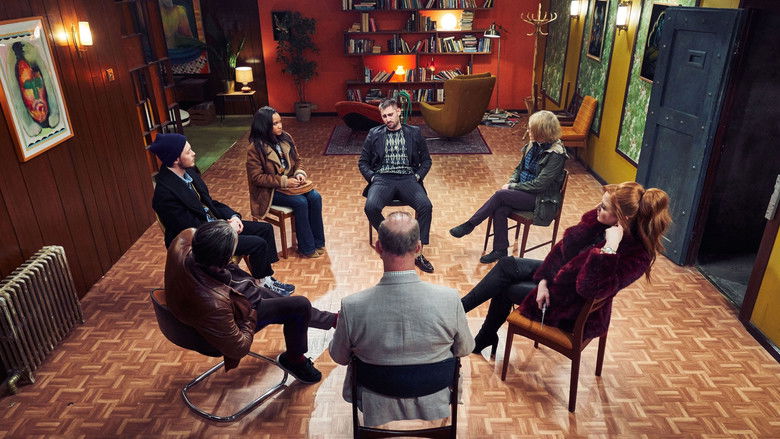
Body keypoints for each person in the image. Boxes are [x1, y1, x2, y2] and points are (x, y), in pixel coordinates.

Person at [461, 182, 671, 354]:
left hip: (573, 307)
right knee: (507, 265)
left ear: (624, 218)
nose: (598, 207)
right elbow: (562, 250)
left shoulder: (637, 255)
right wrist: (543, 281)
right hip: (560, 281)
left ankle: (482, 335)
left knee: (505, 288)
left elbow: (589, 289)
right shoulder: (601, 222)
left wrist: (609, 249)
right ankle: (461, 312)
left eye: (605, 207)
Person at [329, 212, 474, 427]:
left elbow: (339, 357)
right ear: (418, 248)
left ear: (378, 248)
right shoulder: (450, 299)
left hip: (377, 399)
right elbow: (465, 348)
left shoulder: (352, 307)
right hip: (434, 396)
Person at [165, 221, 337, 383]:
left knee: (276, 298)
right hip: (223, 330)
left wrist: (226, 228)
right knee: (299, 306)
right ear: (225, 259)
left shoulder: (184, 242)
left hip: (214, 308)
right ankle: (295, 360)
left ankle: (334, 320)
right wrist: (250, 311)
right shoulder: (214, 304)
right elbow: (238, 348)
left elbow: (196, 232)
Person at [149, 133, 294, 296]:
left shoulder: (189, 173)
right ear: (176, 159)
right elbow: (190, 229)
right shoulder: (164, 194)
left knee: (265, 229)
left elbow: (210, 203)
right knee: (258, 243)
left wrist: (234, 216)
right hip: (202, 242)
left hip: (214, 226)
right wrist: (227, 228)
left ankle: (264, 277)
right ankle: (262, 284)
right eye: (188, 152)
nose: (194, 153)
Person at [450, 110, 568, 263]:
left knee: (500, 195)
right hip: (525, 193)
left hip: (541, 199)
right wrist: (513, 181)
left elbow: (540, 185)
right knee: (500, 209)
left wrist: (513, 186)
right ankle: (500, 250)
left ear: (542, 132)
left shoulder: (556, 154)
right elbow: (519, 169)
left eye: (531, 129)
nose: (528, 131)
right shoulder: (533, 144)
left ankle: (470, 225)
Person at [358, 99, 435, 273]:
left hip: (408, 178)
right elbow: (363, 162)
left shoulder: (414, 132)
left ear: (399, 112)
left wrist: (417, 176)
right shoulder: (374, 133)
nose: (387, 119)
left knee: (426, 206)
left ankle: (418, 253)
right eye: (384, 116)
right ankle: (391, 239)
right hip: (382, 179)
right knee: (370, 207)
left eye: (390, 115)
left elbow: (426, 160)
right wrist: (372, 178)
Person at [246, 106, 325, 258]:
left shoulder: (286, 137)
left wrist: (299, 173)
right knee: (301, 202)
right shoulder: (255, 148)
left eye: (280, 122)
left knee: (315, 197)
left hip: (291, 186)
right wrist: (284, 182)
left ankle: (318, 242)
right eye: (275, 124)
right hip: (269, 192)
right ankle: (307, 248)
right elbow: (257, 178)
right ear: (264, 126)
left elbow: (298, 161)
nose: (280, 126)